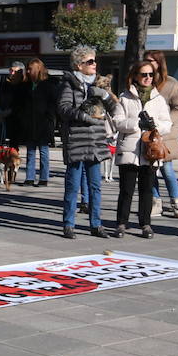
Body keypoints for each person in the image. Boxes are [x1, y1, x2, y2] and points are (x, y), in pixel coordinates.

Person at [57, 46, 117, 239]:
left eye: (95, 61)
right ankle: (68, 224)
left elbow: (114, 109)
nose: (94, 64)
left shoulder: (100, 84)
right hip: (77, 140)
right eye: (90, 62)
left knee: (95, 186)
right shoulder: (69, 84)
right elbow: (63, 109)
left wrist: (105, 95)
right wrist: (84, 116)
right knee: (73, 185)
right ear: (79, 65)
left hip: (97, 140)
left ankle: (96, 224)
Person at [111, 61, 174, 238]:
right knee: (126, 189)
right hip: (129, 150)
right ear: (135, 76)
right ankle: (121, 223)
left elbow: (167, 124)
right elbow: (117, 121)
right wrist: (136, 124)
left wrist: (154, 127)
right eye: (144, 74)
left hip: (151, 150)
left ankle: (145, 224)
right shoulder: (124, 97)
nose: (147, 78)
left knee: (147, 190)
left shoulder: (159, 99)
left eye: (151, 75)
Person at [142, 50, 178, 217]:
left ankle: (176, 202)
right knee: (150, 169)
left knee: (167, 169)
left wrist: (166, 122)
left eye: (151, 61)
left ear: (159, 63)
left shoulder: (171, 84)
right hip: (147, 133)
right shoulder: (143, 80)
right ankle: (155, 202)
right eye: (146, 60)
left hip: (165, 134)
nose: (148, 63)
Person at [15, 58, 58, 187]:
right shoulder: (26, 85)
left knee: (44, 151)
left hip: (43, 123)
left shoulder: (49, 84)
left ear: (37, 70)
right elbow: (21, 104)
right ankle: (29, 177)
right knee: (30, 151)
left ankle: (44, 178)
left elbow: (53, 104)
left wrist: (50, 120)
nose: (28, 71)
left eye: (30, 69)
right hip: (29, 123)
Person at [0, 62, 24, 147]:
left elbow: (20, 103)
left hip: (14, 120)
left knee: (13, 146)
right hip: (0, 119)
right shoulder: (4, 84)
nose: (12, 73)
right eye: (11, 70)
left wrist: (6, 113)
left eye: (15, 71)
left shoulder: (23, 86)